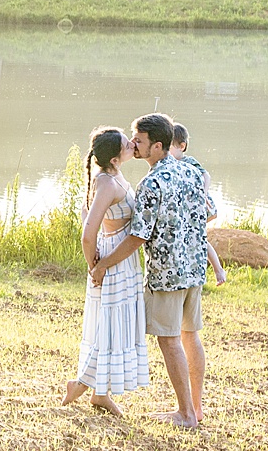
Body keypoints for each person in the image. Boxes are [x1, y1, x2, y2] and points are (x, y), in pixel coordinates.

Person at [91, 114, 212, 427]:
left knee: (169, 340)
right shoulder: (192, 168)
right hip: (195, 267)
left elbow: (137, 237)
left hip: (167, 274)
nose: (134, 144)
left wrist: (103, 263)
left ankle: (185, 414)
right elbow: (210, 212)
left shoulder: (151, 183)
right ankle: (196, 409)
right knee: (190, 335)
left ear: (157, 146)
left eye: (139, 141)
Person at [62, 127, 153, 414]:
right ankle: (81, 384)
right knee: (109, 326)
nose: (132, 145)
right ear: (114, 159)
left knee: (114, 327)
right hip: (111, 260)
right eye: (128, 144)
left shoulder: (114, 176)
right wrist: (96, 267)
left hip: (121, 258)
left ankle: (98, 391)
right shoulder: (106, 184)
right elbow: (87, 234)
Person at [171, 122, 226, 287]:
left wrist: (203, 192)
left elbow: (206, 175)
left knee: (199, 237)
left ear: (182, 146)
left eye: (170, 146)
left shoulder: (188, 161)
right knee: (192, 236)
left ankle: (218, 270)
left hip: (200, 206)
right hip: (187, 209)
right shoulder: (168, 164)